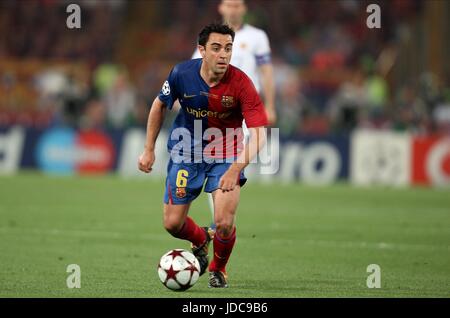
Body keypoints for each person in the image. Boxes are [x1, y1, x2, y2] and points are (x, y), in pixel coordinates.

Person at [138, 23, 268, 288]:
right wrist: (149, 149)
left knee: (223, 223)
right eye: (217, 48)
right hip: (187, 152)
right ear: (202, 50)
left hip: (226, 155)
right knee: (173, 224)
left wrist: (235, 168)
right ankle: (200, 240)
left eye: (228, 49)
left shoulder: (242, 83)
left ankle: (218, 269)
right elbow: (159, 106)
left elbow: (260, 135)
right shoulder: (181, 74)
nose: (223, 55)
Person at [192, 0, 276, 226]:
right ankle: (218, 220)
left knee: (233, 161)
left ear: (244, 9)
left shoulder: (257, 37)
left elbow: (266, 71)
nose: (234, 9)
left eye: (238, 5)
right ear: (221, 8)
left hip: (248, 108)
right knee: (221, 163)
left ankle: (220, 219)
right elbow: (195, 74)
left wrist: (270, 104)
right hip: (217, 112)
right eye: (230, 4)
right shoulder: (209, 40)